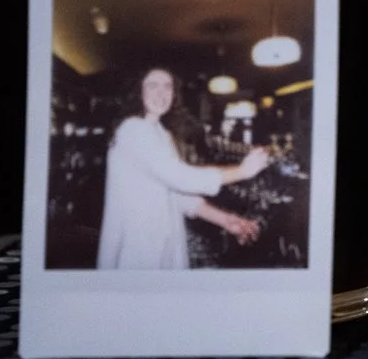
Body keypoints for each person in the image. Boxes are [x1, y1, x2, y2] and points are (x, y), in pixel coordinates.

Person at [95, 67, 272, 270]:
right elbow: (181, 178)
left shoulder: (161, 133)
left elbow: (177, 194)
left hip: (161, 243)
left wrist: (225, 219)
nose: (161, 93)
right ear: (138, 91)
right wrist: (242, 171)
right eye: (152, 86)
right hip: (138, 248)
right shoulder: (133, 128)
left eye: (167, 87)